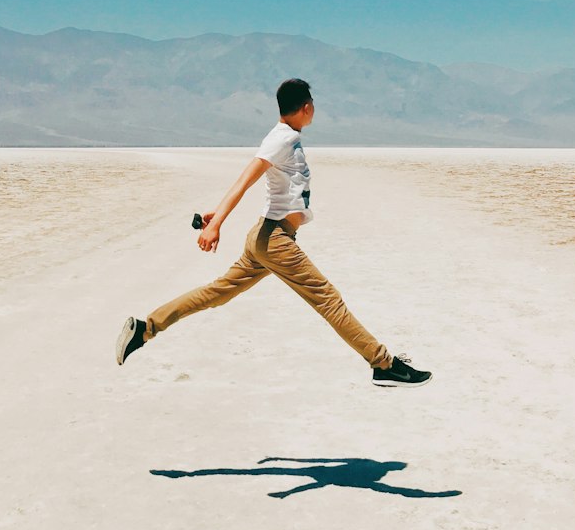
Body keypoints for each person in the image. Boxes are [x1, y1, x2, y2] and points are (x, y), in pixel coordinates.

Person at [115, 78, 432, 387]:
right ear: (306, 108)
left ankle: (145, 329)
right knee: (328, 299)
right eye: (313, 105)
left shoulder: (287, 137)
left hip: (265, 238)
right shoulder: (280, 139)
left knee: (217, 293)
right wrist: (217, 223)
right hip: (275, 240)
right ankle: (384, 364)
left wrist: (217, 214)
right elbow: (245, 180)